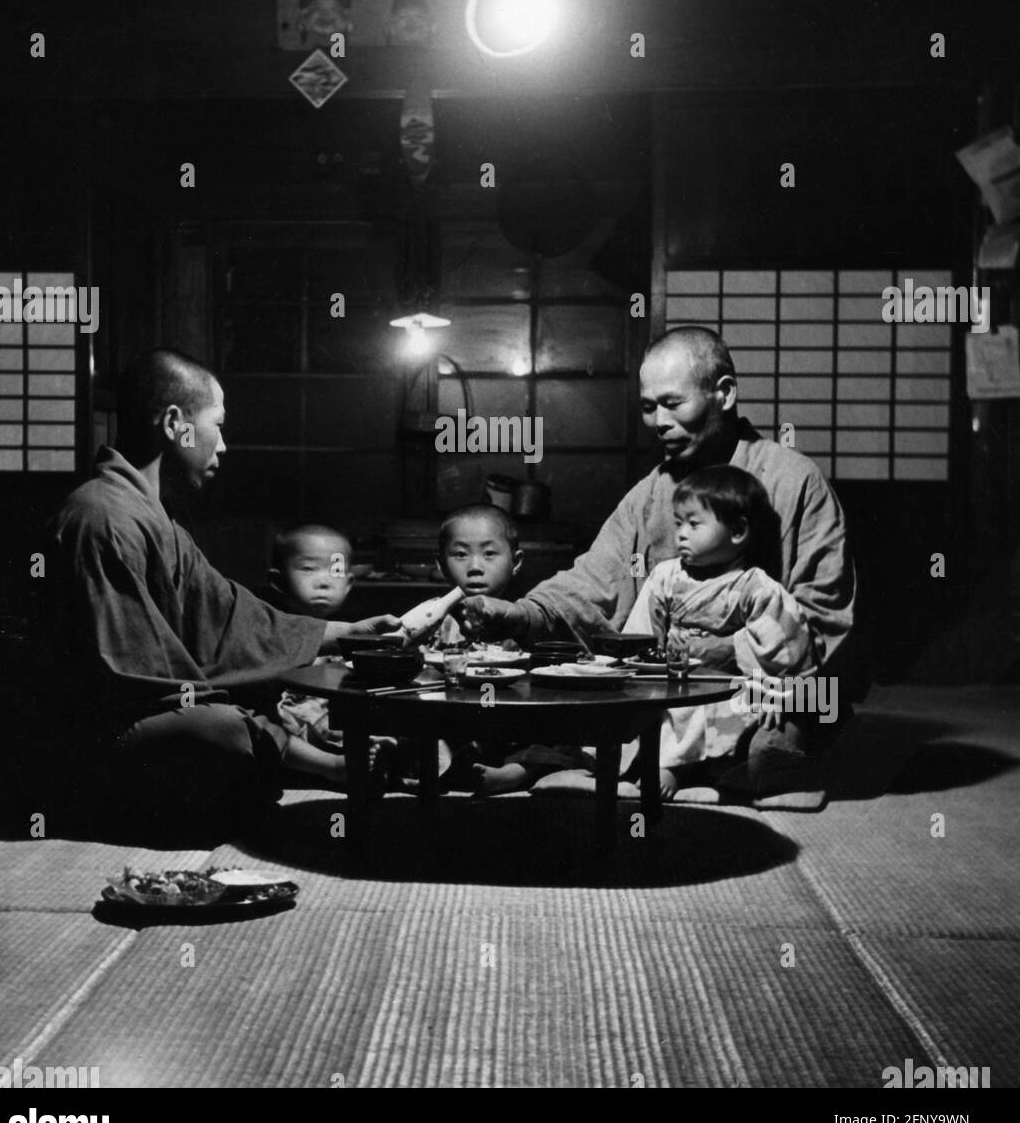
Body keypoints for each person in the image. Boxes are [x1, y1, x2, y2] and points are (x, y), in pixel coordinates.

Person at [0, 349, 399, 845]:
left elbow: (227, 618)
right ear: (176, 424)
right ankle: (301, 769)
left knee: (255, 701)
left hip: (125, 731)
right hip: (61, 754)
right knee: (222, 729)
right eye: (217, 426)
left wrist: (346, 634)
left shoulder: (150, 516)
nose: (223, 445)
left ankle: (255, 775)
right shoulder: (101, 519)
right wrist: (258, 728)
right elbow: (130, 680)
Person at [459, 325, 857, 806]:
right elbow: (593, 585)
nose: (659, 421)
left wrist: (729, 650)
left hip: (768, 685)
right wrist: (523, 614)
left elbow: (824, 614)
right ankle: (659, 769)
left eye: (673, 403)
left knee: (776, 741)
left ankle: (698, 769)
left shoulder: (795, 481)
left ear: (724, 393)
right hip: (670, 685)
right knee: (576, 703)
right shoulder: (652, 491)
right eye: (649, 407)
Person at [620, 465, 814, 800]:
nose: (681, 533)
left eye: (694, 524)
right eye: (679, 522)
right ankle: (676, 765)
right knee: (655, 707)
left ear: (737, 531)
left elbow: (784, 647)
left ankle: (684, 768)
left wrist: (744, 660)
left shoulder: (756, 586)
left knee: (740, 720)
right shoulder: (667, 575)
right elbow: (641, 633)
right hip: (675, 678)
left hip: (730, 684)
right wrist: (659, 655)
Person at [432, 504, 592, 796]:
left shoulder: (524, 618)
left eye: (489, 553)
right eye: (460, 554)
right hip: (460, 720)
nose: (475, 566)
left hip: (515, 723)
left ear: (516, 561)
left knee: (564, 731)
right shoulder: (436, 620)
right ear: (441, 563)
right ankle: (452, 767)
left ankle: (515, 773)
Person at [260, 522, 396, 793]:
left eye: (334, 569)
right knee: (264, 729)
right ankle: (331, 766)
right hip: (290, 726)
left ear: (348, 584)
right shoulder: (268, 630)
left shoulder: (351, 632)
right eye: (308, 568)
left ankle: (365, 761)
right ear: (277, 580)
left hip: (338, 721)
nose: (323, 580)